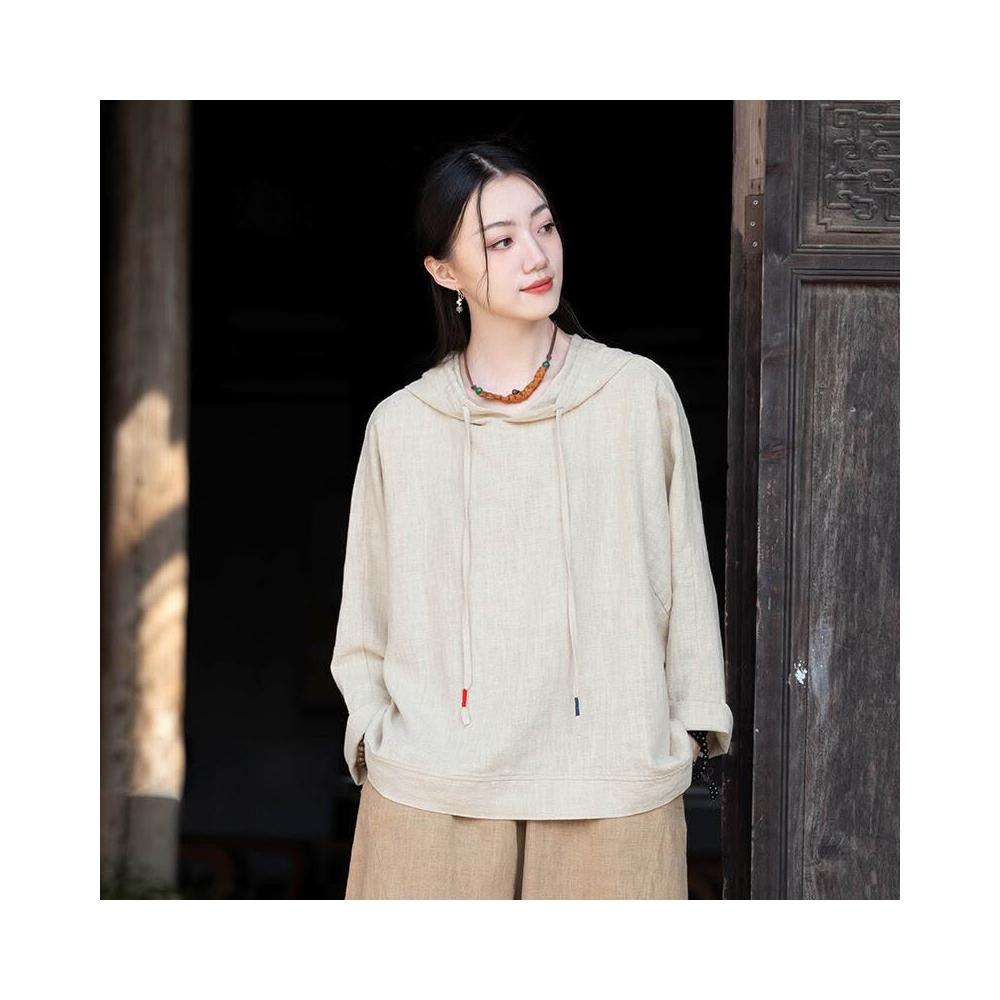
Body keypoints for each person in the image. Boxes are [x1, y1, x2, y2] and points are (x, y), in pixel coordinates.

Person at [330, 139, 734, 899]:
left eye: (544, 227)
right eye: (501, 241)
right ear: (444, 272)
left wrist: (686, 733)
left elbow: (685, 576)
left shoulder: (635, 394)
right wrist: (375, 738)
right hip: (430, 790)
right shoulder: (402, 425)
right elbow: (366, 615)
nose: (536, 255)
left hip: (613, 784)